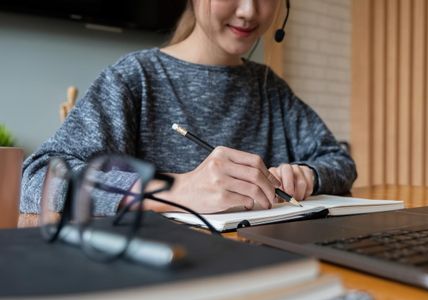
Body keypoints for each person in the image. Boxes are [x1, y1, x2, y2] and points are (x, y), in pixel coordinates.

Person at [20, 0, 357, 216]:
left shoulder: (269, 88)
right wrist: (172, 191)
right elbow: (38, 179)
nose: (249, 11)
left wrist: (306, 176)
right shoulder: (136, 78)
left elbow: (339, 161)